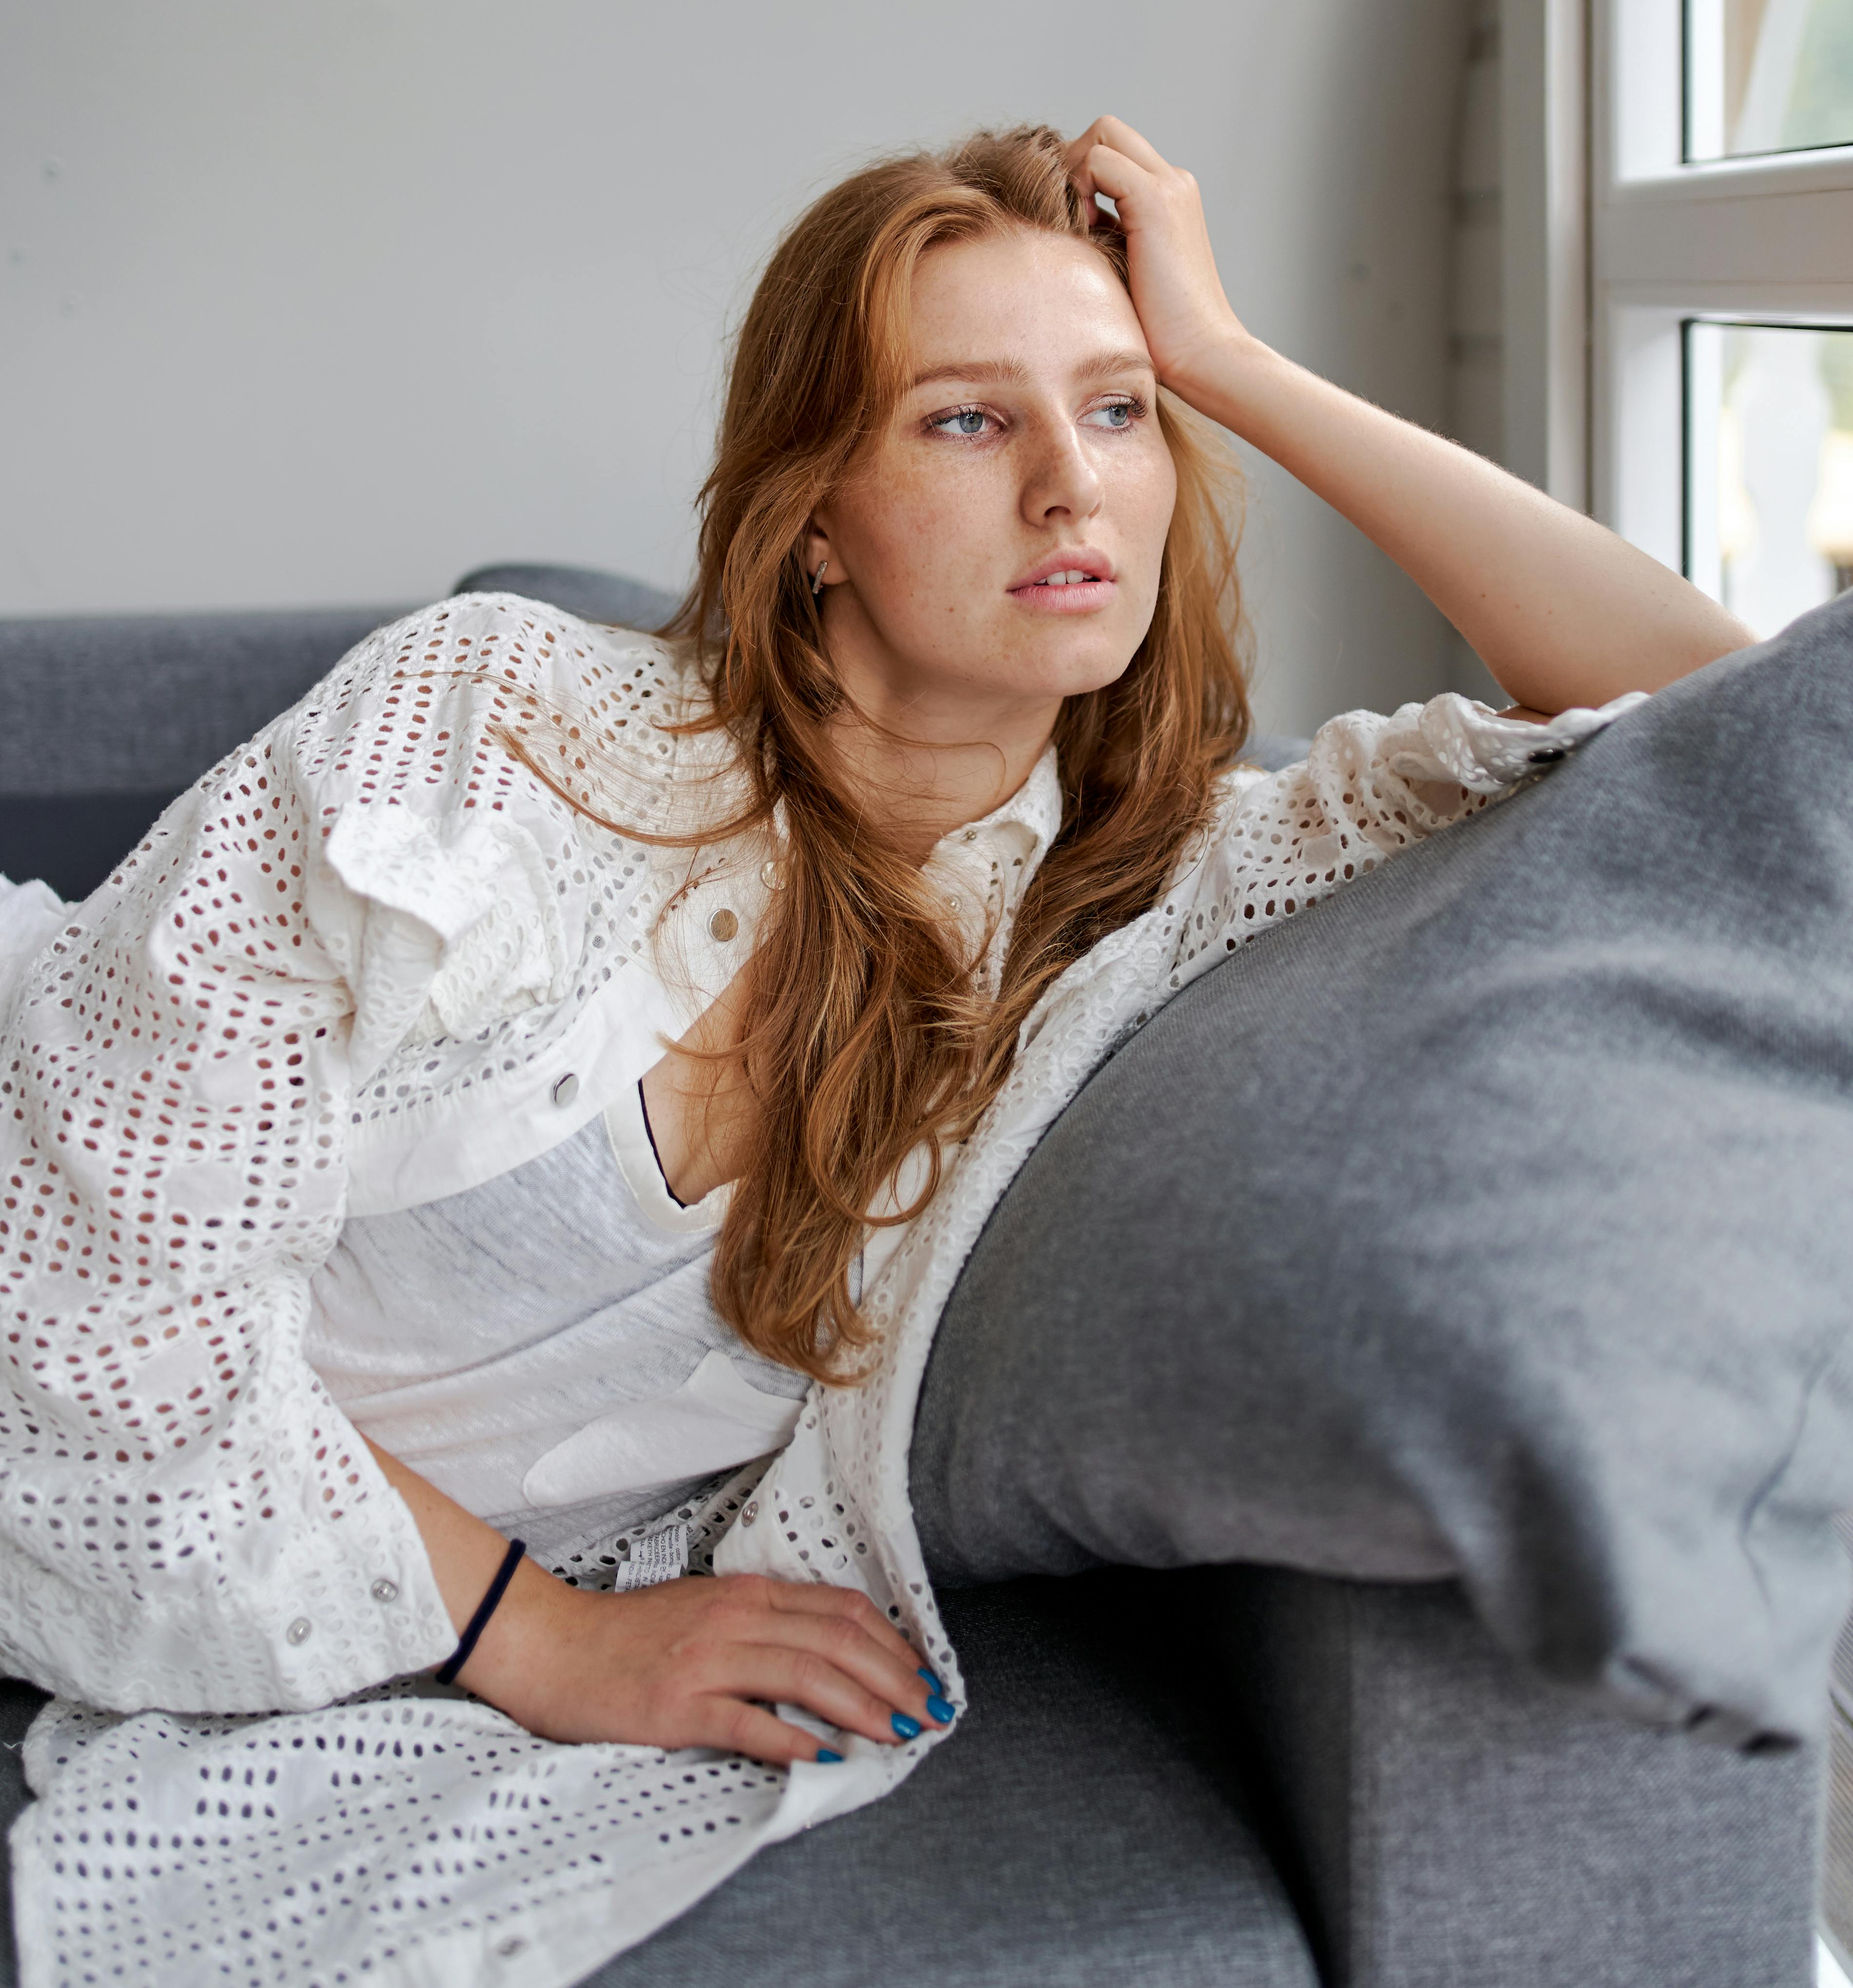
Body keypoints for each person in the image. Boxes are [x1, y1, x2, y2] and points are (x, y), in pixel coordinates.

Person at [0, 118, 1748, 1787]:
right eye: (969, 423)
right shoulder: (495, 726)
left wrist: (1233, 361)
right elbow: (71, 1288)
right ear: (816, 518)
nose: (1073, 485)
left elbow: (1721, 718)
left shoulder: (1163, 896)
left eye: (1121, 412)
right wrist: (540, 1640)